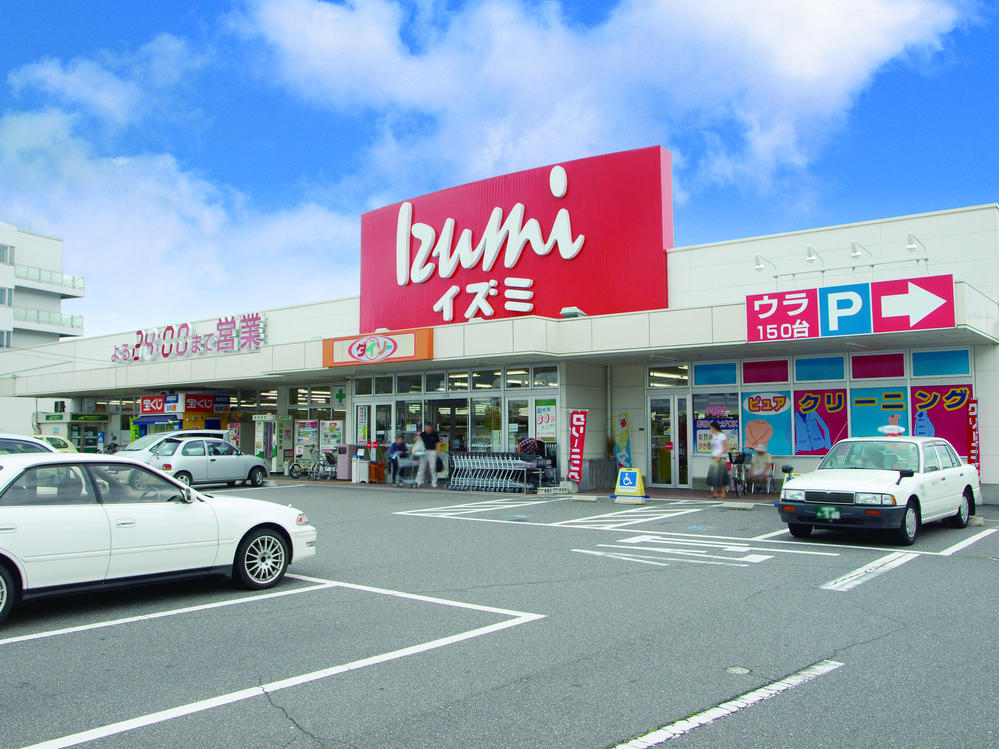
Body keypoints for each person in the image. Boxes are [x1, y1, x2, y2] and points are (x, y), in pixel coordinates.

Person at [707, 421, 729, 499]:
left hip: (720, 458)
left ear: (714, 427)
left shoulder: (721, 436)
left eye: (711, 427)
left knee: (722, 476)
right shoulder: (714, 436)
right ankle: (715, 493)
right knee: (713, 475)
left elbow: (726, 447)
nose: (710, 429)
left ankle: (723, 493)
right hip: (714, 457)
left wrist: (719, 455)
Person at [416, 422, 441, 488]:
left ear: (431, 428)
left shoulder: (435, 434)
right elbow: (417, 440)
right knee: (421, 467)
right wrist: (417, 438)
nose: (428, 429)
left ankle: (434, 482)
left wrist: (438, 453)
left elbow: (438, 444)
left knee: (432, 468)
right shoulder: (422, 434)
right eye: (426, 428)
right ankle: (418, 482)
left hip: (432, 451)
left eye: (429, 428)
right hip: (423, 452)